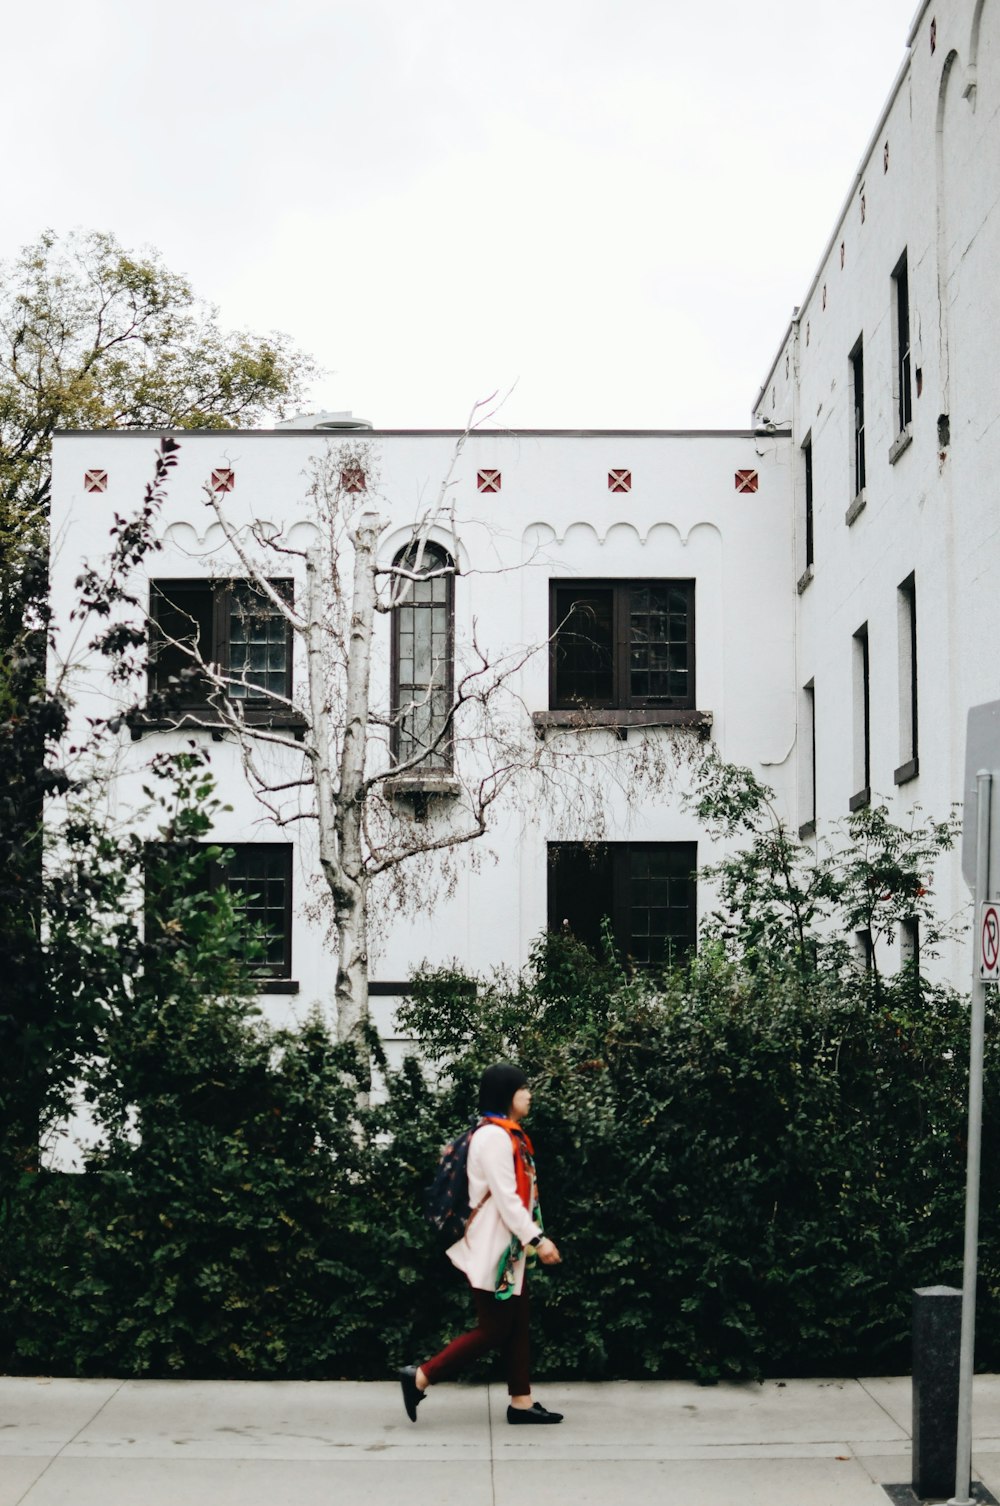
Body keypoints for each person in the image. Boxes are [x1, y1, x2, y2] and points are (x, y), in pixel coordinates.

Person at [399, 1063, 564, 1425]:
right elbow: (506, 1199)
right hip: (494, 1248)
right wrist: (538, 1239)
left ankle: (521, 1402)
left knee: (517, 1322)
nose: (529, 1094)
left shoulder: (509, 1134)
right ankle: (421, 1376)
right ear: (507, 1094)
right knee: (493, 1328)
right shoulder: (493, 1138)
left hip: (509, 1248)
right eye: (523, 1088)